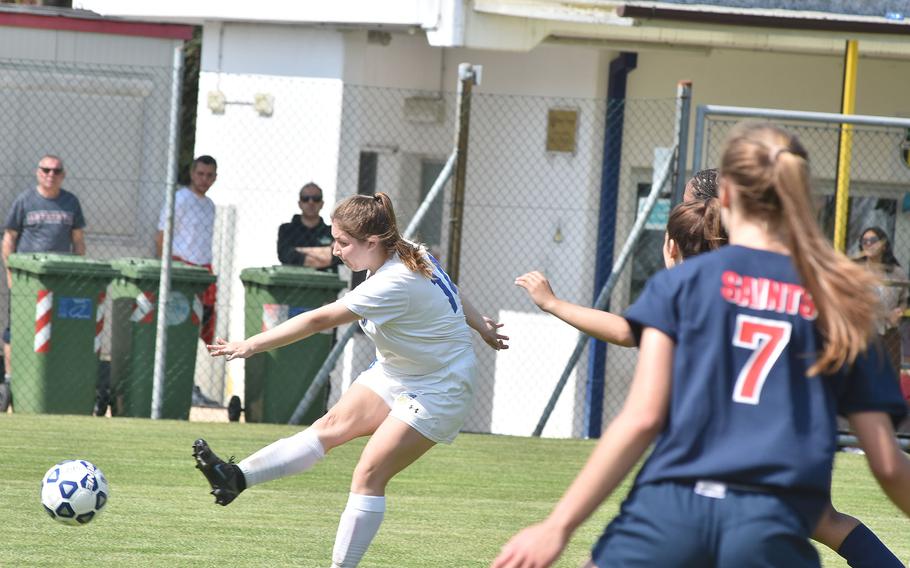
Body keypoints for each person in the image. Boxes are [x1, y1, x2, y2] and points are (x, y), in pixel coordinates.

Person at [494, 123, 910, 568]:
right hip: (770, 520)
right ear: (802, 198)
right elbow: (886, 462)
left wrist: (557, 526)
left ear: (725, 196)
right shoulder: (841, 298)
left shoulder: (685, 283)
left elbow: (641, 419)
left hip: (670, 510)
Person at [192, 192, 508, 567]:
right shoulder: (407, 248)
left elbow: (317, 320)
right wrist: (481, 326)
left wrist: (252, 344)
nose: (335, 250)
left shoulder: (393, 281)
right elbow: (453, 289)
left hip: (440, 387)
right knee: (327, 428)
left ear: (372, 242)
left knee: (369, 472)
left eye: (342, 242)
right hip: (397, 370)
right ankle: (234, 477)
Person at [0, 155, 86, 413]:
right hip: (28, 280)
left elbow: (78, 240)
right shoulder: (25, 200)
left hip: (60, 280)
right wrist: (11, 273)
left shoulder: (70, 202)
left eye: (56, 170)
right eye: (46, 170)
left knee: (57, 331)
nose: (50, 174)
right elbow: (9, 238)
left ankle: (51, 383)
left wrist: (79, 273)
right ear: (38, 172)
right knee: (17, 328)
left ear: (63, 174)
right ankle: (10, 381)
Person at [155, 155, 218, 345]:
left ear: (215, 178)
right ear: (191, 174)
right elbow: (162, 236)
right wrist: (166, 267)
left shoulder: (210, 205)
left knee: (205, 319)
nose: (204, 179)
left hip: (204, 269)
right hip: (181, 265)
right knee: (179, 318)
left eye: (209, 175)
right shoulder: (179, 199)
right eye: (200, 174)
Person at [854, 226, 907, 373]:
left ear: (884, 245)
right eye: (864, 241)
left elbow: (905, 299)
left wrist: (900, 311)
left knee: (890, 378)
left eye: (873, 240)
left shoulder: (897, 272)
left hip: (889, 333)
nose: (868, 244)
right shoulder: (856, 270)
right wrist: (886, 314)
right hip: (863, 332)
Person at [277, 182, 339, 271]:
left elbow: (338, 257)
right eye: (305, 198)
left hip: (326, 282)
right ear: (299, 203)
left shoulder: (332, 231)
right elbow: (286, 256)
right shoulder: (286, 229)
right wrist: (326, 254)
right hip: (293, 281)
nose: (311, 202)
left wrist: (298, 251)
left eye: (316, 198)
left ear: (322, 203)